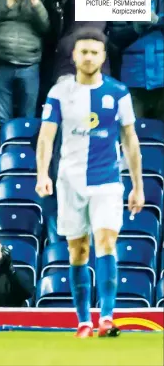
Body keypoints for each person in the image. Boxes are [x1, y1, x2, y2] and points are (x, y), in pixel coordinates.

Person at [35, 27, 145, 338]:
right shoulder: (59, 93)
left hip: (107, 181)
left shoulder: (118, 93)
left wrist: (138, 185)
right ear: (73, 56)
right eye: (83, 51)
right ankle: (83, 321)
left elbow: (130, 140)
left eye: (94, 52)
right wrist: (42, 173)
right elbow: (46, 137)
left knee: (107, 242)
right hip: (70, 181)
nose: (88, 57)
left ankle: (107, 317)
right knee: (78, 251)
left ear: (103, 57)